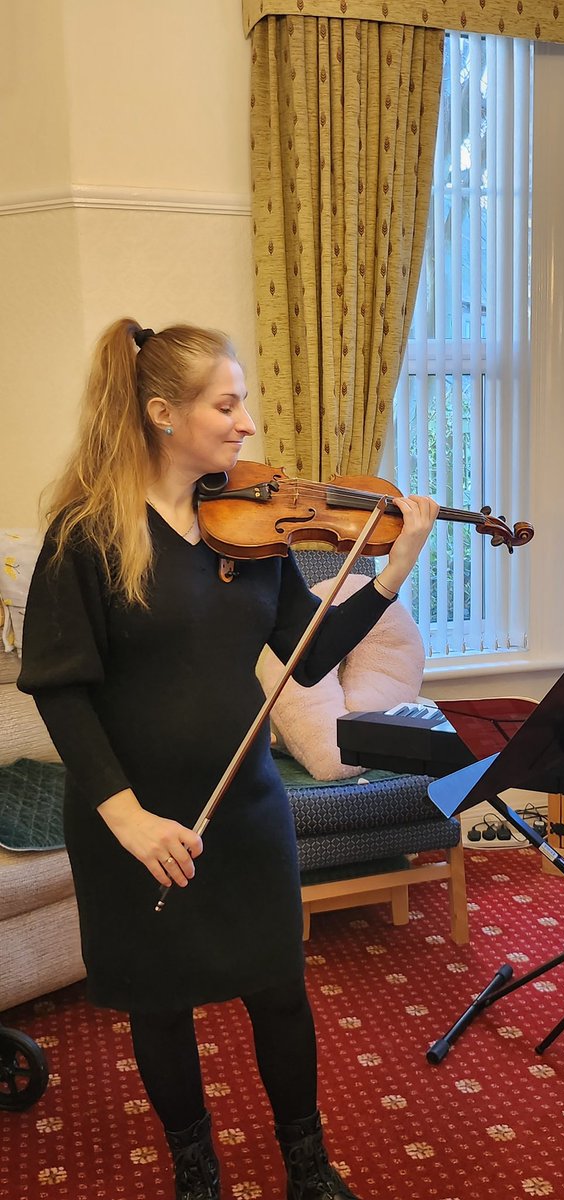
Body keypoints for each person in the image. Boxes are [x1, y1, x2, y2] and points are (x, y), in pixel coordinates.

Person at [18, 318, 440, 1200]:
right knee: (160, 1003)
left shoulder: (244, 529)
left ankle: (308, 1165)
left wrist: (392, 569)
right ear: (162, 412)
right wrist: (127, 819)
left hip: (242, 808)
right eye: (228, 402)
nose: (246, 422)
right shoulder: (86, 536)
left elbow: (308, 656)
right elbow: (62, 692)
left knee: (280, 990)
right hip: (133, 820)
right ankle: (195, 1169)